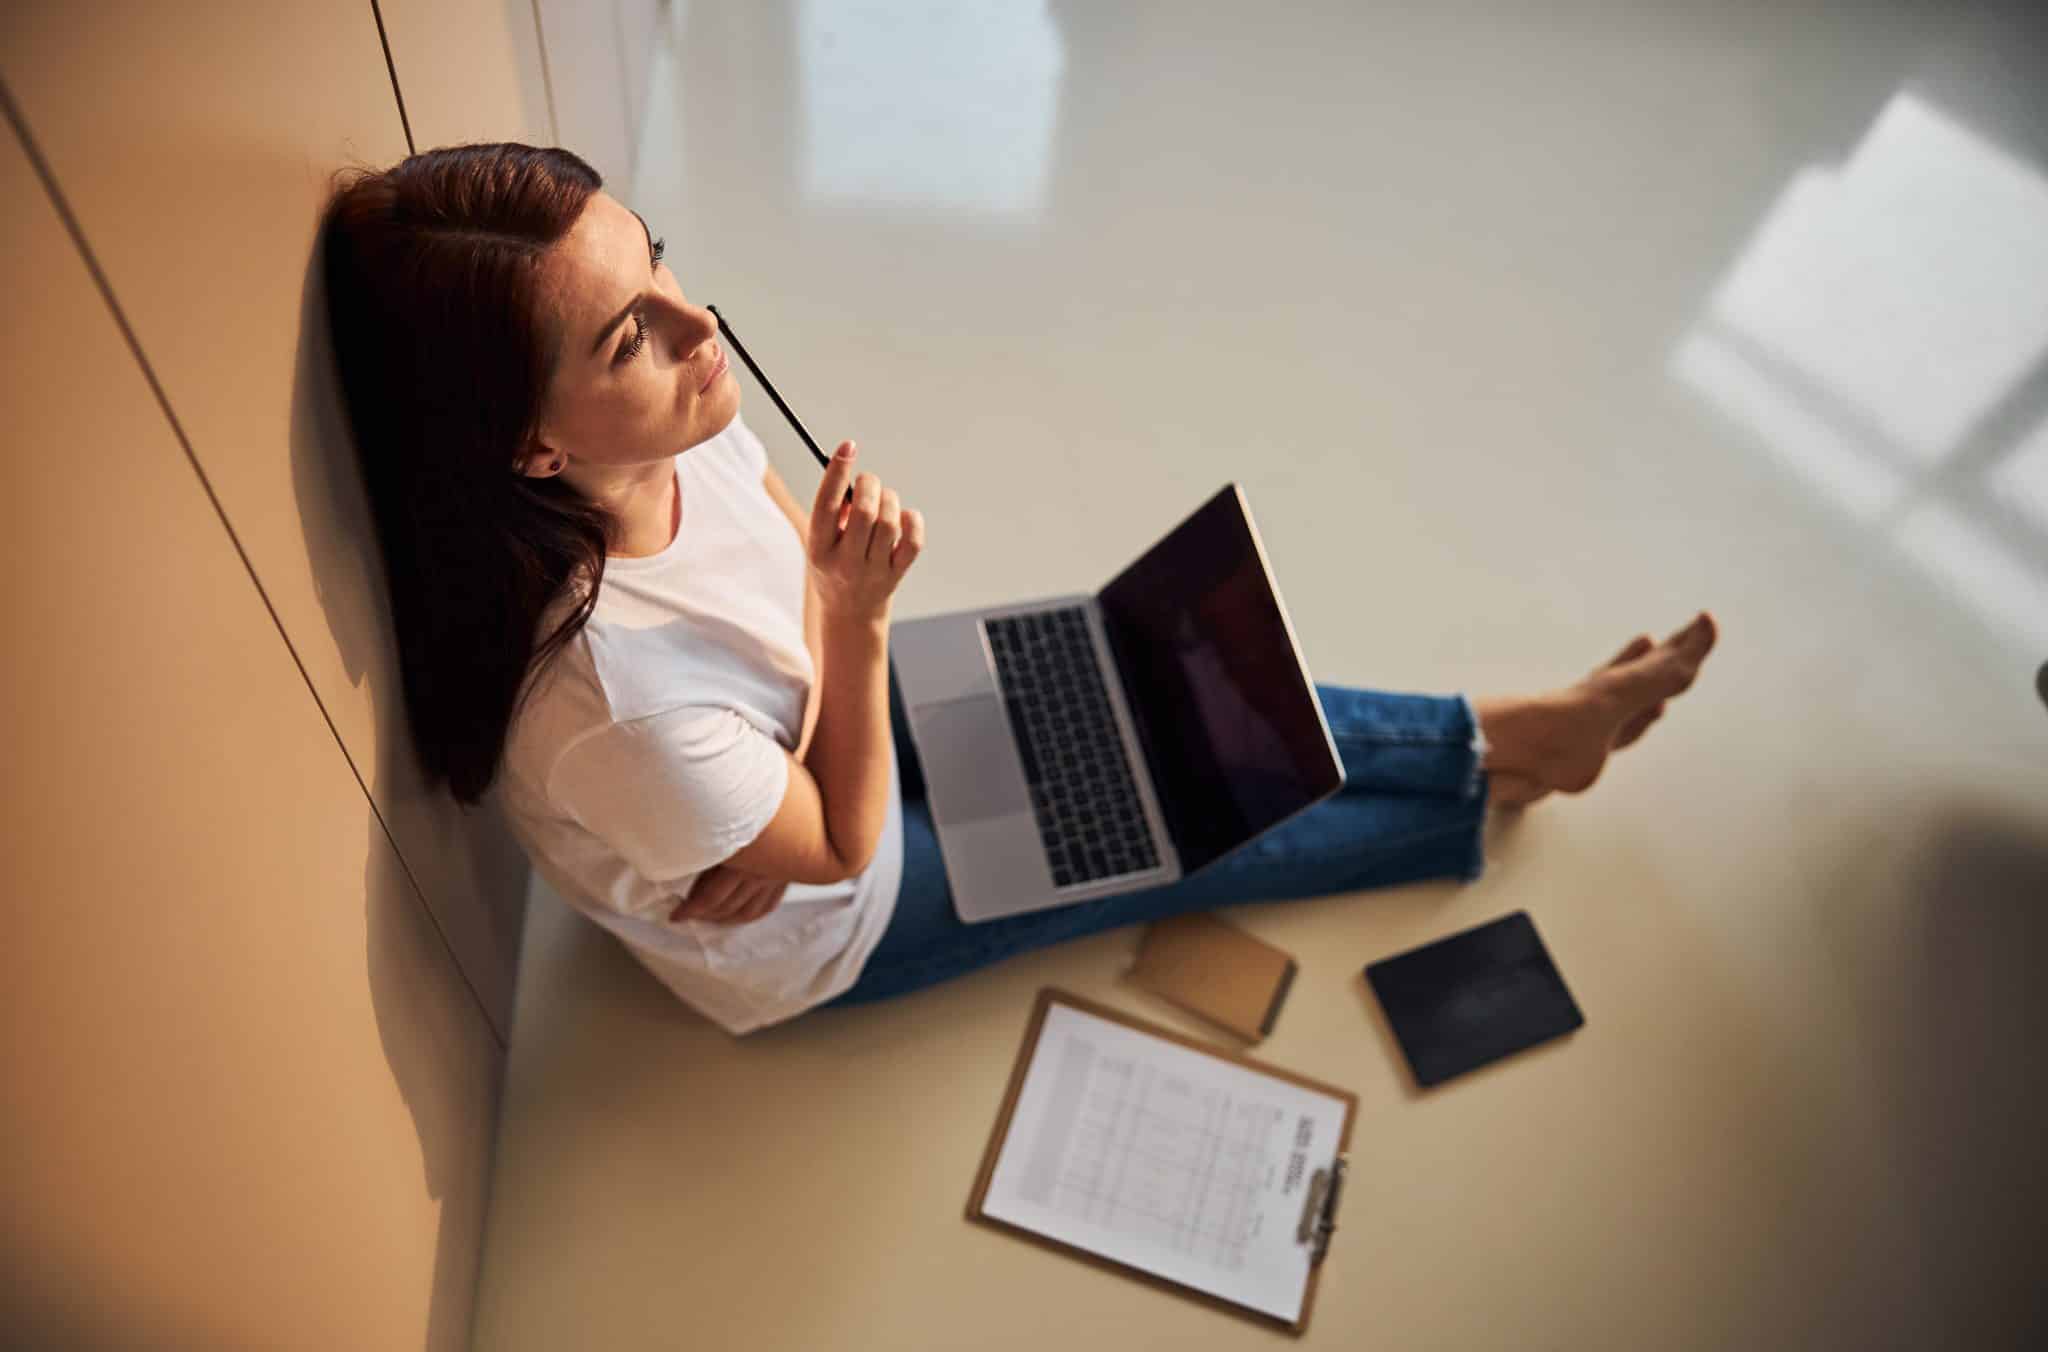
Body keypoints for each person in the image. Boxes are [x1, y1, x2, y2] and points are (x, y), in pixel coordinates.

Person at [321, 143, 1718, 1036]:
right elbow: (852, 841)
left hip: (812, 734)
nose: (701, 323)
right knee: (1170, 824)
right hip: (829, 929)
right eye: (634, 332)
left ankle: (1503, 735)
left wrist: (810, 694)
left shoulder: (674, 417)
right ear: (533, 446)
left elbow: (797, 641)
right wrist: (850, 625)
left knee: (1150, 678)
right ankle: (1489, 778)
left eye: (661, 258)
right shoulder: (611, 712)